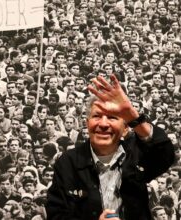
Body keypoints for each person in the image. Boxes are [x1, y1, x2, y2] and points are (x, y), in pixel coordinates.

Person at [46, 75, 175, 219]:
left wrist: (133, 116)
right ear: (87, 123)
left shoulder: (136, 155)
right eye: (97, 116)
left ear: (125, 128)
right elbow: (56, 215)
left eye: (112, 117)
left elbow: (166, 155)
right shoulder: (68, 162)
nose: (103, 124)